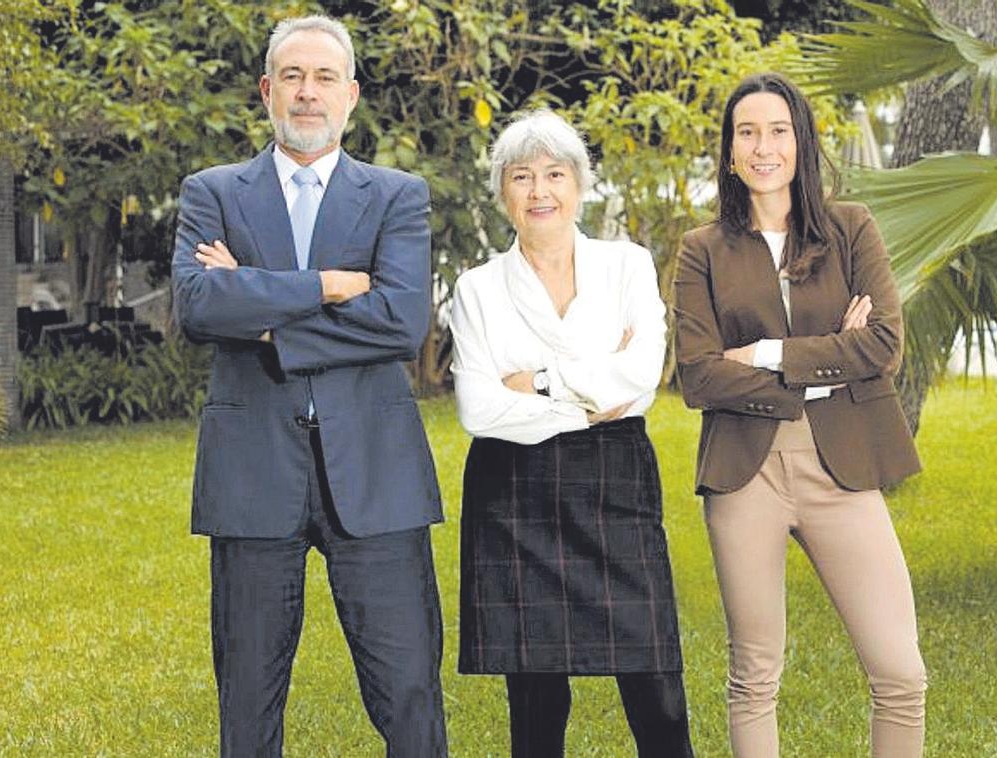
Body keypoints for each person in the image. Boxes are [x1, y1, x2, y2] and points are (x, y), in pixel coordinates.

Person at [170, 15, 446, 757]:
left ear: (351, 95)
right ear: (266, 90)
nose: (307, 93)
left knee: (411, 695)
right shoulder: (213, 192)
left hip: (377, 475)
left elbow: (399, 321)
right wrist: (326, 285)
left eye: (324, 77)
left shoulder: (396, 196)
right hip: (252, 473)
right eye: (292, 76)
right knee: (249, 702)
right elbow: (197, 306)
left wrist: (260, 316)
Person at [673, 72, 926, 757]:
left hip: (842, 468)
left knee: (900, 673)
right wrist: (821, 366)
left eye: (778, 131)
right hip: (744, 475)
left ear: (801, 142)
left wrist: (762, 353)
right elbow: (696, 374)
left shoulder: (851, 228)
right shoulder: (702, 249)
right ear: (728, 151)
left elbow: (882, 343)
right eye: (746, 132)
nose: (763, 146)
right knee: (755, 676)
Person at [450, 110, 694, 758]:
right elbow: (478, 409)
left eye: (555, 175)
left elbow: (642, 375)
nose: (540, 192)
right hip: (513, 492)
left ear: (581, 185)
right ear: (503, 191)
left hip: (616, 480)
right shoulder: (476, 289)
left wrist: (539, 383)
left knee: (657, 685)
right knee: (535, 698)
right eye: (522, 177)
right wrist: (592, 394)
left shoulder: (627, 265)